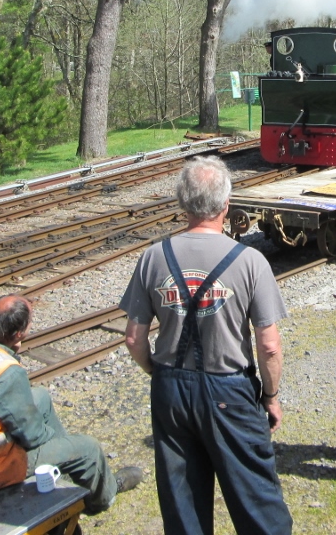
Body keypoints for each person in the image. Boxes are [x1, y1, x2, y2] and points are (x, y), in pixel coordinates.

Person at [121, 157, 292, 535]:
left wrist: (156, 372)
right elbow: (268, 346)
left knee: (183, 506)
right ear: (226, 204)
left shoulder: (153, 257)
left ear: (183, 203)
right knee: (257, 501)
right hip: (229, 391)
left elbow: (134, 338)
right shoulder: (251, 261)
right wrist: (271, 396)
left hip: (170, 392)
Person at [0, 295, 142, 514]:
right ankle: (104, 496)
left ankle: (65, 476)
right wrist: (60, 443)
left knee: (40, 397)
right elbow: (33, 436)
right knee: (87, 448)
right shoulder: (4, 371)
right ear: (19, 333)